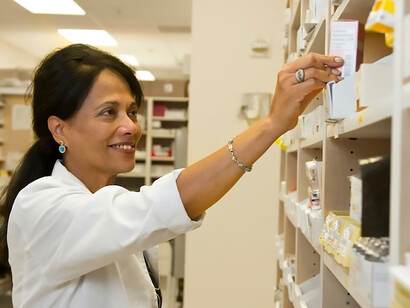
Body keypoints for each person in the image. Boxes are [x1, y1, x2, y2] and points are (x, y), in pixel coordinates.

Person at [0, 43, 343, 308]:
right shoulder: (41, 207)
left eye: (132, 111)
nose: (131, 126)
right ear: (60, 129)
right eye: (109, 113)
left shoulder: (102, 206)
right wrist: (271, 125)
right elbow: (161, 205)